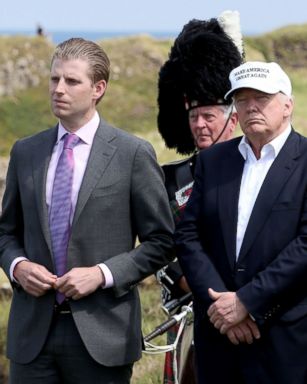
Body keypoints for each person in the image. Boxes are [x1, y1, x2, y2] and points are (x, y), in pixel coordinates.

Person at [0, 37, 174, 384]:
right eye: (54, 79)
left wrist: (102, 274)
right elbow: (5, 232)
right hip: (31, 337)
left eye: (71, 81)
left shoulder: (133, 154)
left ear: (98, 88)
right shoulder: (26, 152)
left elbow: (162, 241)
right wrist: (18, 267)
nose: (58, 89)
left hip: (103, 336)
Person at [175, 60, 307, 384]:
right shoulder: (213, 160)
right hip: (218, 336)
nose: (250, 108)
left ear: (287, 105)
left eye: (261, 99)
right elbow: (188, 235)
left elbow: (305, 245)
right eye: (242, 100)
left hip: (282, 338)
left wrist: (247, 301)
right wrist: (223, 305)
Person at [156, 11, 243, 384]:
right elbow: (161, 249)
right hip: (196, 310)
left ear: (232, 117)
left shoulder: (257, 170)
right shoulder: (170, 179)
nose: (199, 125)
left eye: (208, 115)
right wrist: (208, 291)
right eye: (193, 116)